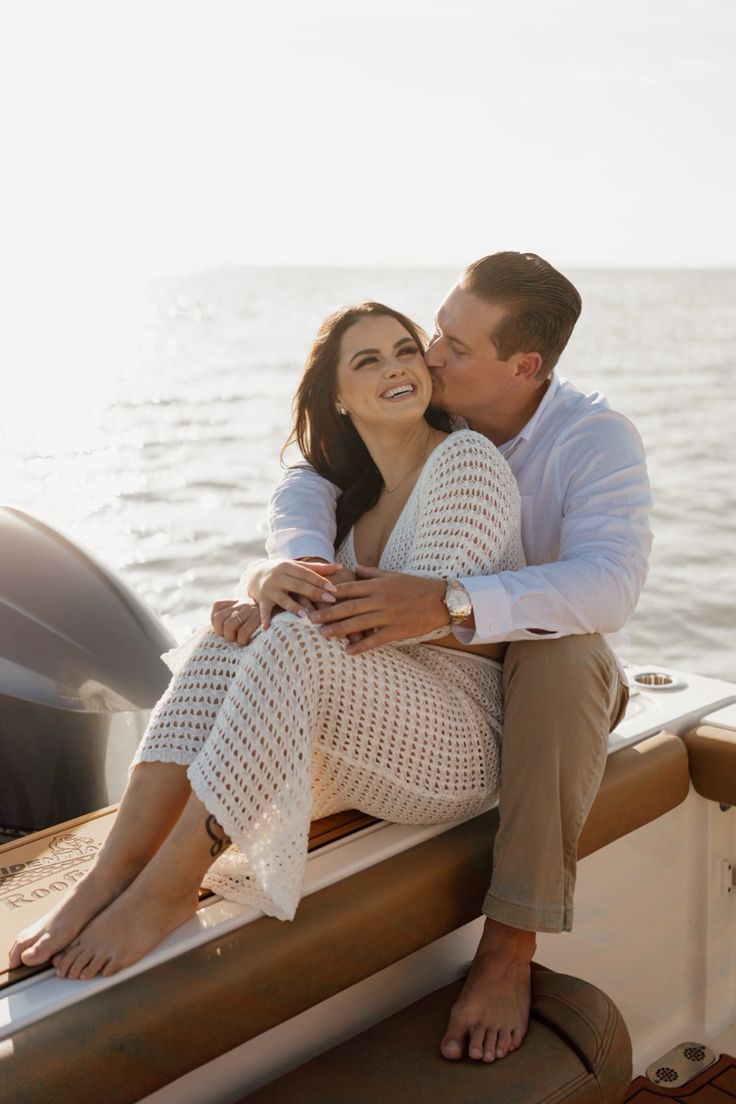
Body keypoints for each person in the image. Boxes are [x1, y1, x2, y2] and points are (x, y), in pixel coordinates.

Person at [8, 303, 525, 993]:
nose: (396, 367)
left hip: (458, 737)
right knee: (223, 642)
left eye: (405, 350)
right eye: (366, 361)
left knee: (286, 633)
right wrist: (257, 596)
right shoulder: (354, 499)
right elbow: (315, 597)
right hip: (372, 723)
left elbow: (399, 618)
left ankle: (170, 885)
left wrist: (268, 592)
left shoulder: (466, 460)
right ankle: (115, 870)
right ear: (336, 398)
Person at [260, 252, 652, 1064]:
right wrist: (299, 565)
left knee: (566, 649)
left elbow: (610, 584)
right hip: (423, 671)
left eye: (455, 346)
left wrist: (448, 601)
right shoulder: (427, 405)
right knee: (260, 627)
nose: (429, 355)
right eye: (435, 331)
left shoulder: (594, 438)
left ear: (525, 366)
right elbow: (310, 472)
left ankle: (509, 948)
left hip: (541, 668)